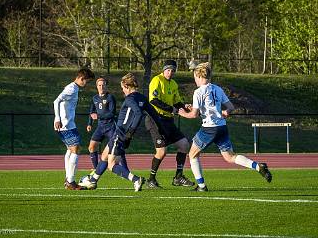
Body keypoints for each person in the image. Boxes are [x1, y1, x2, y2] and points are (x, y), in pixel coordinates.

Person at [178, 62, 272, 191]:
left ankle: (201, 186)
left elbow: (194, 115)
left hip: (209, 129)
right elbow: (230, 107)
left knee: (192, 155)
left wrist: (183, 113)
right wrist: (224, 112)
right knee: (230, 157)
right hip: (221, 127)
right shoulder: (217, 89)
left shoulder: (198, 92)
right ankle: (258, 166)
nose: (194, 80)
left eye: (194, 77)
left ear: (198, 76)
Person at [80, 73, 164, 192]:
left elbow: (138, 113)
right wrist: (161, 129)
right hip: (123, 134)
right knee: (104, 155)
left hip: (120, 133)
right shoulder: (142, 97)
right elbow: (154, 114)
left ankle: (135, 179)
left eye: (123, 88)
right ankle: (93, 180)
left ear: (127, 86)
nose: (122, 90)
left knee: (112, 165)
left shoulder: (130, 99)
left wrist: (130, 131)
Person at [145, 59, 195, 188]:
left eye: (173, 70)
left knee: (184, 145)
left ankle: (178, 177)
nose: (170, 72)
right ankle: (151, 179)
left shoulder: (173, 84)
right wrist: (170, 109)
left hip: (168, 120)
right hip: (155, 120)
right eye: (168, 70)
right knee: (162, 152)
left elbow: (177, 102)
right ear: (164, 70)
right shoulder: (157, 80)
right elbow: (153, 101)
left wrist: (185, 106)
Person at [53, 68, 95, 190]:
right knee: (76, 149)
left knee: (71, 150)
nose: (86, 84)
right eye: (87, 81)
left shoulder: (74, 87)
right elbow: (56, 101)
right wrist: (57, 118)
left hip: (68, 124)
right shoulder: (71, 89)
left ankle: (68, 180)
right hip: (65, 125)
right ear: (82, 79)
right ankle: (70, 182)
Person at [86, 77, 128, 171]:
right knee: (92, 147)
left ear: (106, 86)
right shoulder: (95, 98)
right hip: (100, 128)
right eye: (99, 85)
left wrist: (99, 116)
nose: (101, 87)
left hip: (110, 127)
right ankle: (96, 170)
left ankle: (126, 169)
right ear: (97, 87)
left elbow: (111, 113)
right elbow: (92, 112)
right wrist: (90, 124)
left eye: (103, 85)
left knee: (118, 149)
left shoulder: (110, 97)